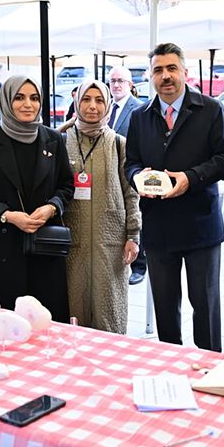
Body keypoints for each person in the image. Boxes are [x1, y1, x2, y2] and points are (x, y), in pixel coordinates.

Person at [125, 42, 224, 352]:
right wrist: (137, 178)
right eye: (158, 70)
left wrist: (190, 179)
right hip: (159, 227)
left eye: (172, 68)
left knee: (205, 307)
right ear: (150, 76)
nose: (166, 76)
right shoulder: (140, 116)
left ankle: (211, 368)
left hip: (201, 225)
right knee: (165, 309)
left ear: (185, 72)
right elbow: (130, 162)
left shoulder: (210, 110)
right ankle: (171, 365)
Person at [0, 75, 74, 318]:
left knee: (47, 319)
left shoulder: (54, 139)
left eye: (34, 98)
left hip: (45, 246)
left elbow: (66, 185)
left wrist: (52, 208)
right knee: (6, 322)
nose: (28, 104)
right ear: (6, 101)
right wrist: (6, 215)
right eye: (19, 97)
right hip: (2, 249)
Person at [63, 80, 141, 333]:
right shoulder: (61, 141)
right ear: (77, 102)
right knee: (75, 312)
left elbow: (131, 194)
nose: (93, 106)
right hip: (73, 244)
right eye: (87, 99)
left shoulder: (119, 144)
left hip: (111, 244)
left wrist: (133, 235)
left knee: (110, 313)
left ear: (108, 104)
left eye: (99, 100)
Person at [107, 66, 148, 285]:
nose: (116, 85)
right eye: (112, 81)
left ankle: (140, 265)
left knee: (135, 215)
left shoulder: (139, 109)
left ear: (130, 85)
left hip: (131, 170)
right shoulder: (105, 107)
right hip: (109, 173)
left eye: (121, 81)